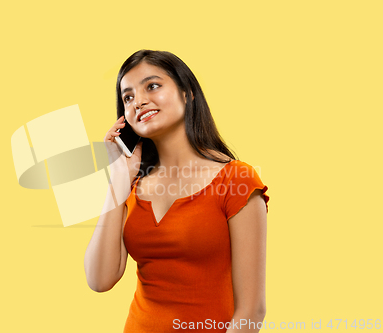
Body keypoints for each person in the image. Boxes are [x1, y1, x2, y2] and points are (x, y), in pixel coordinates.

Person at [84, 49, 270, 333]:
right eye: (128, 97)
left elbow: (251, 311)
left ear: (187, 93)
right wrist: (118, 178)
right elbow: (99, 280)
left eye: (153, 86)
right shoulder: (130, 186)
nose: (139, 102)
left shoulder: (237, 179)